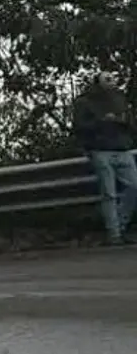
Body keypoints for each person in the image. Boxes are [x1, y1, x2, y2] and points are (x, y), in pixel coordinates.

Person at [73, 72, 137, 245]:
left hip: (122, 148)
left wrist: (123, 122)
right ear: (97, 83)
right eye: (107, 79)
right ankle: (114, 234)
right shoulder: (84, 102)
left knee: (135, 187)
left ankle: (121, 226)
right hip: (100, 150)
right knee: (109, 193)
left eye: (113, 79)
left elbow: (131, 122)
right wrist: (102, 122)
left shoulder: (119, 99)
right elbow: (79, 126)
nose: (112, 82)